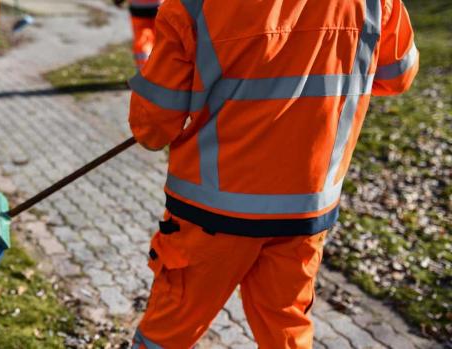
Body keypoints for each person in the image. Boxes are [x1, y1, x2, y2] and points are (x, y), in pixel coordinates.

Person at [127, 0, 418, 347]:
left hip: (211, 213)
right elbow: (397, 76)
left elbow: (152, 129)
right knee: (286, 329)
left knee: (168, 332)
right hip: (304, 209)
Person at [113, 0, 164, 68]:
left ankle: (144, 69)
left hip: (138, 7)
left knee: (142, 40)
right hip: (160, 4)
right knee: (161, 39)